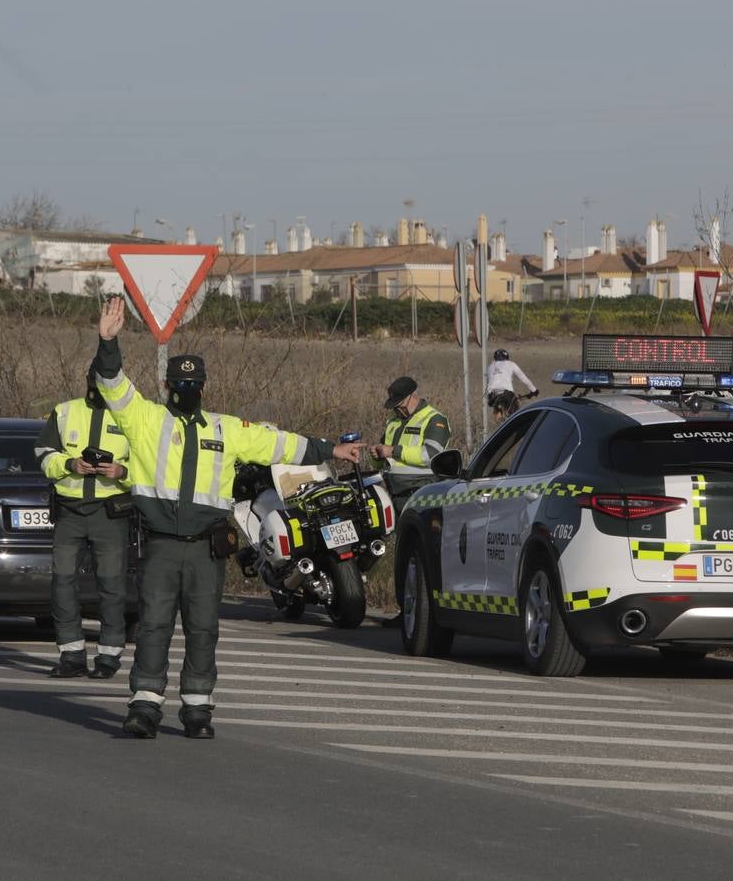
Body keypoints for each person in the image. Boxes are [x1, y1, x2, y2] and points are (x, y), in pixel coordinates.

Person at [93, 297, 362, 740]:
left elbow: (280, 446)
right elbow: (112, 383)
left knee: (203, 628)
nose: (187, 389)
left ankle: (197, 709)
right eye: (181, 382)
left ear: (204, 385)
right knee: (154, 625)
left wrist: (330, 449)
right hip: (160, 543)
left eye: (194, 382)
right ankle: (144, 707)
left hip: (205, 549)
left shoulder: (225, 429)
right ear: (166, 384)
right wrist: (108, 341)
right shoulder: (145, 419)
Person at [35, 369, 133, 680]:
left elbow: (153, 465)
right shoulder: (64, 411)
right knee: (63, 583)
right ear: (88, 380)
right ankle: (71, 655)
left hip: (110, 513)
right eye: (96, 381)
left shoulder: (131, 417)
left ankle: (108, 656)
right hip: (70, 513)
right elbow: (43, 455)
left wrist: (122, 471)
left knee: (112, 587)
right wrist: (69, 464)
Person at [370, 376, 451, 627]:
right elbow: (386, 455)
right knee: (405, 556)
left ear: (413, 396)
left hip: (422, 494)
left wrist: (393, 451)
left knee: (421, 554)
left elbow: (432, 454)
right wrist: (377, 455)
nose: (397, 408)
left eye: (400, 403)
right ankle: (406, 610)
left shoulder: (435, 419)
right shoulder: (394, 421)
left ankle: (424, 613)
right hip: (397, 495)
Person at [485, 348, 538, 421]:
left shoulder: (489, 367)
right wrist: (534, 390)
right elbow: (523, 378)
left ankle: (498, 426)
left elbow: (489, 382)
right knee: (515, 418)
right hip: (507, 394)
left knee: (497, 410)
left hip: (492, 396)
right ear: (506, 357)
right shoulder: (511, 364)